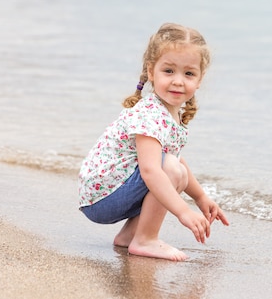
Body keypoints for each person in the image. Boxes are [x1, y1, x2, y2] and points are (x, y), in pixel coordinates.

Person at [78, 22, 229, 261]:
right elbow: (151, 170)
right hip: (103, 197)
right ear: (151, 72)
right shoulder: (150, 113)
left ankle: (131, 235)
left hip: (110, 194)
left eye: (188, 73)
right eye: (168, 71)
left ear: (199, 79)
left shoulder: (169, 112)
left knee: (174, 166)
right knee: (169, 169)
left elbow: (175, 160)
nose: (178, 81)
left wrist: (200, 197)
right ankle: (145, 239)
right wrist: (183, 212)